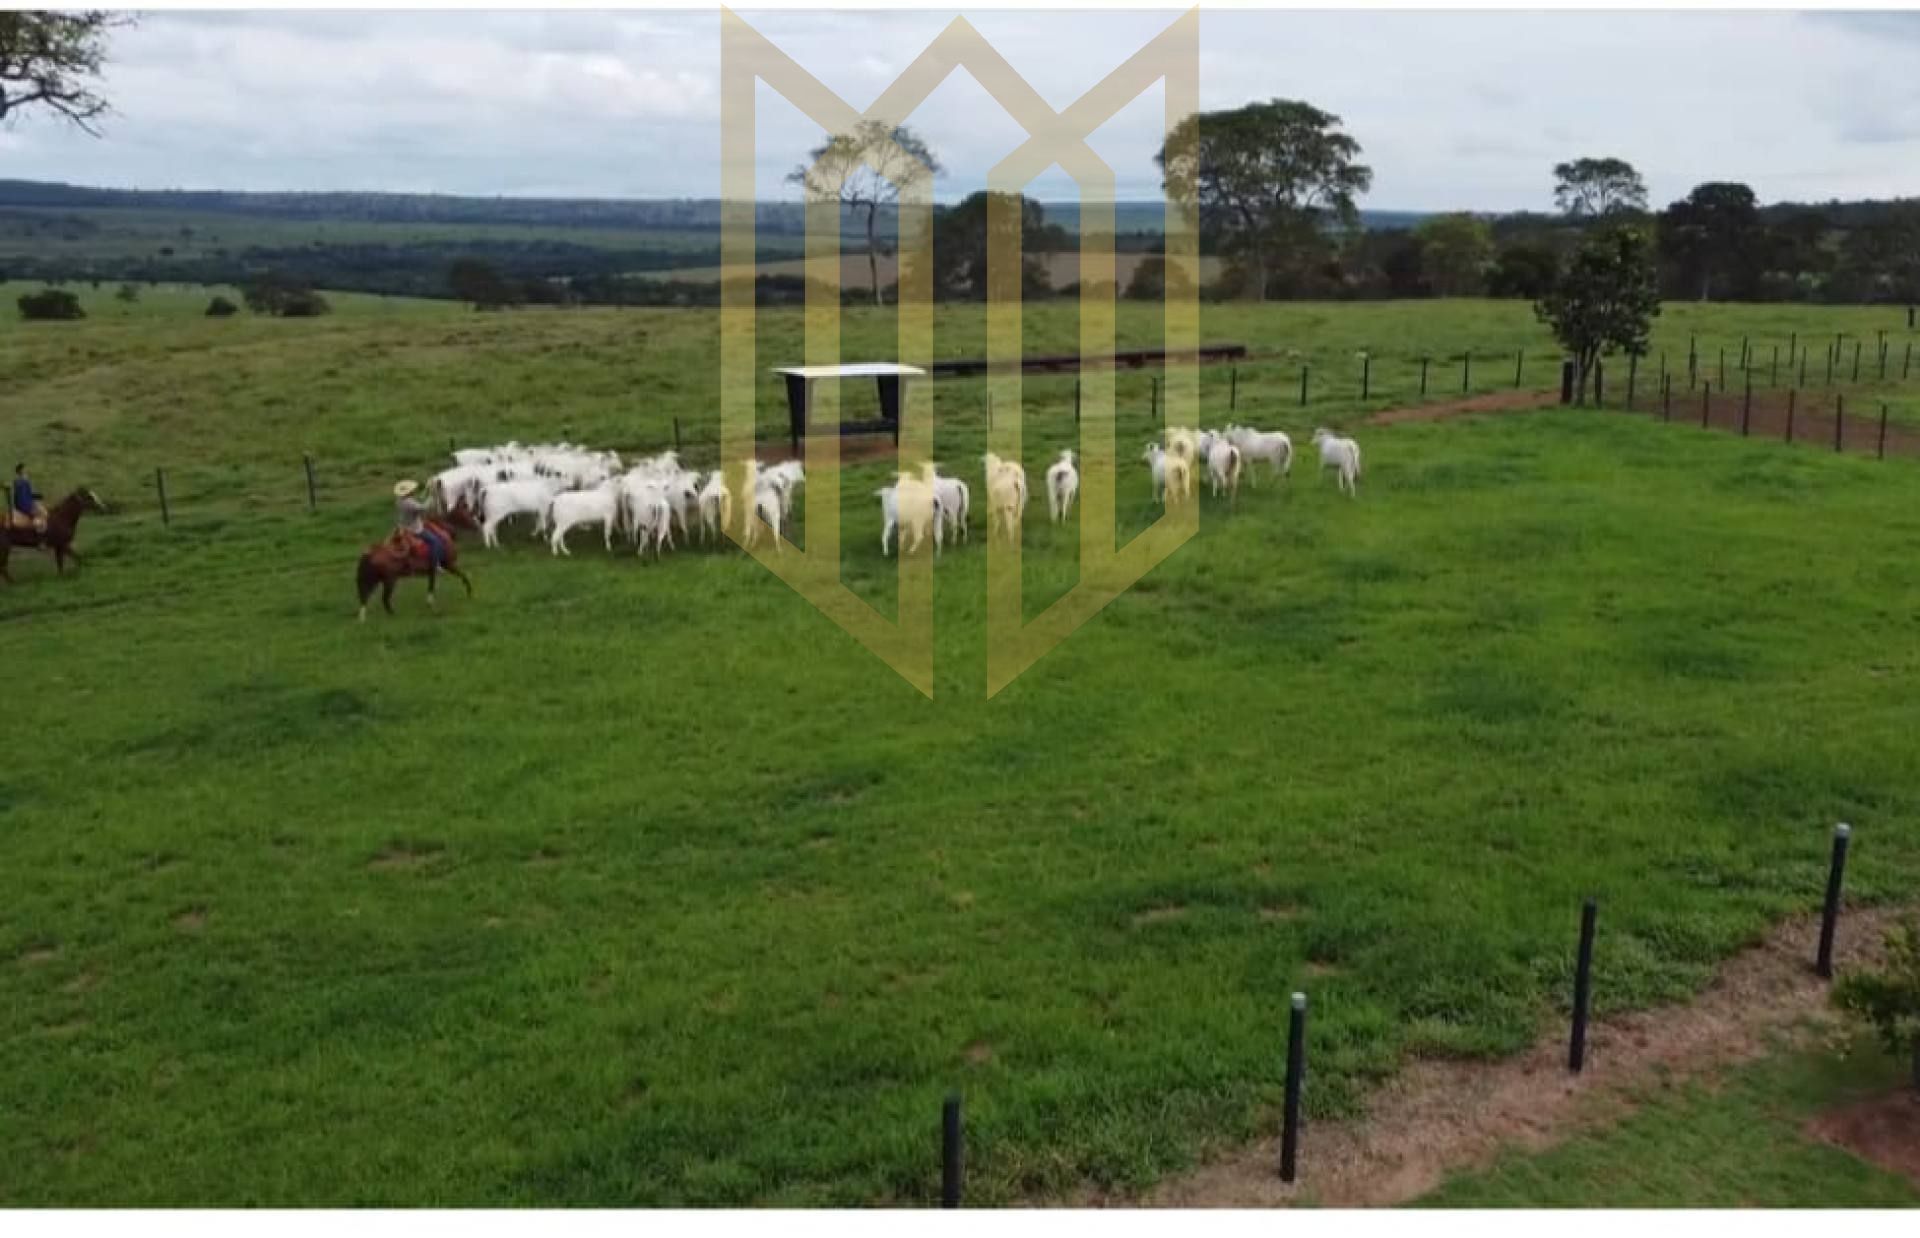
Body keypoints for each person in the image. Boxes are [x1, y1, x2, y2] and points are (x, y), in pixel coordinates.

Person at [390, 480, 445, 571]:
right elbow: (423, 508)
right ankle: (435, 564)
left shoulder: (399, 500)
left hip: (403, 526)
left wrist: (424, 496)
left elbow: (416, 502)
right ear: (408, 492)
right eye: (412, 490)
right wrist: (432, 497)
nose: (413, 490)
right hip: (415, 529)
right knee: (435, 541)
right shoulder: (409, 503)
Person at [11, 463, 46, 534]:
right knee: (39, 512)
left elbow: (28, 494)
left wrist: (37, 496)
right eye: (24, 470)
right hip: (23, 505)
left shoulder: (24, 481)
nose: (27, 471)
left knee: (42, 510)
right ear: (21, 471)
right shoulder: (20, 482)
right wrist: (31, 507)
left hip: (27, 503)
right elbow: (22, 497)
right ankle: (37, 531)